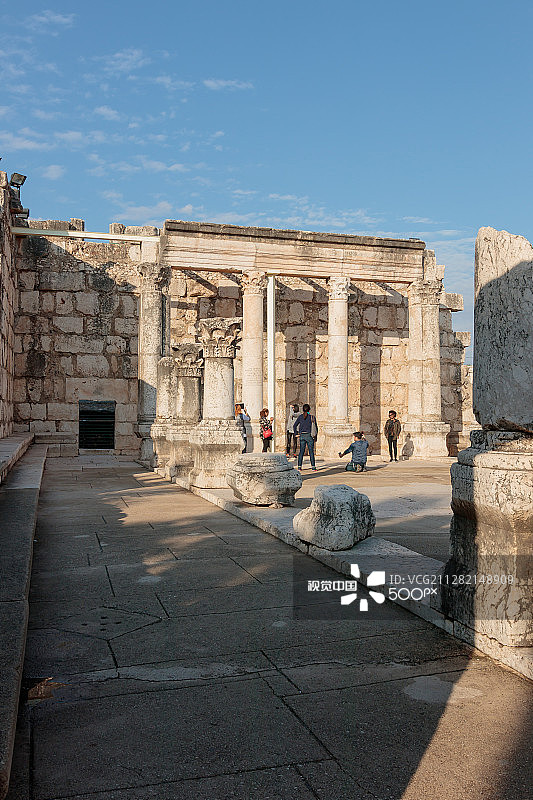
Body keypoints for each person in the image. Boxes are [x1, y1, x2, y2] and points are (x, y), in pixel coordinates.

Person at [293, 403, 318, 471]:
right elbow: (316, 428)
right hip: (309, 436)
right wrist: (315, 436)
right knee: (311, 452)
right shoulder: (312, 417)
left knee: (301, 452)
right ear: (309, 410)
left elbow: (294, 425)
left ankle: (299, 466)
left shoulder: (300, 417)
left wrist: (296, 433)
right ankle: (313, 467)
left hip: (302, 435)